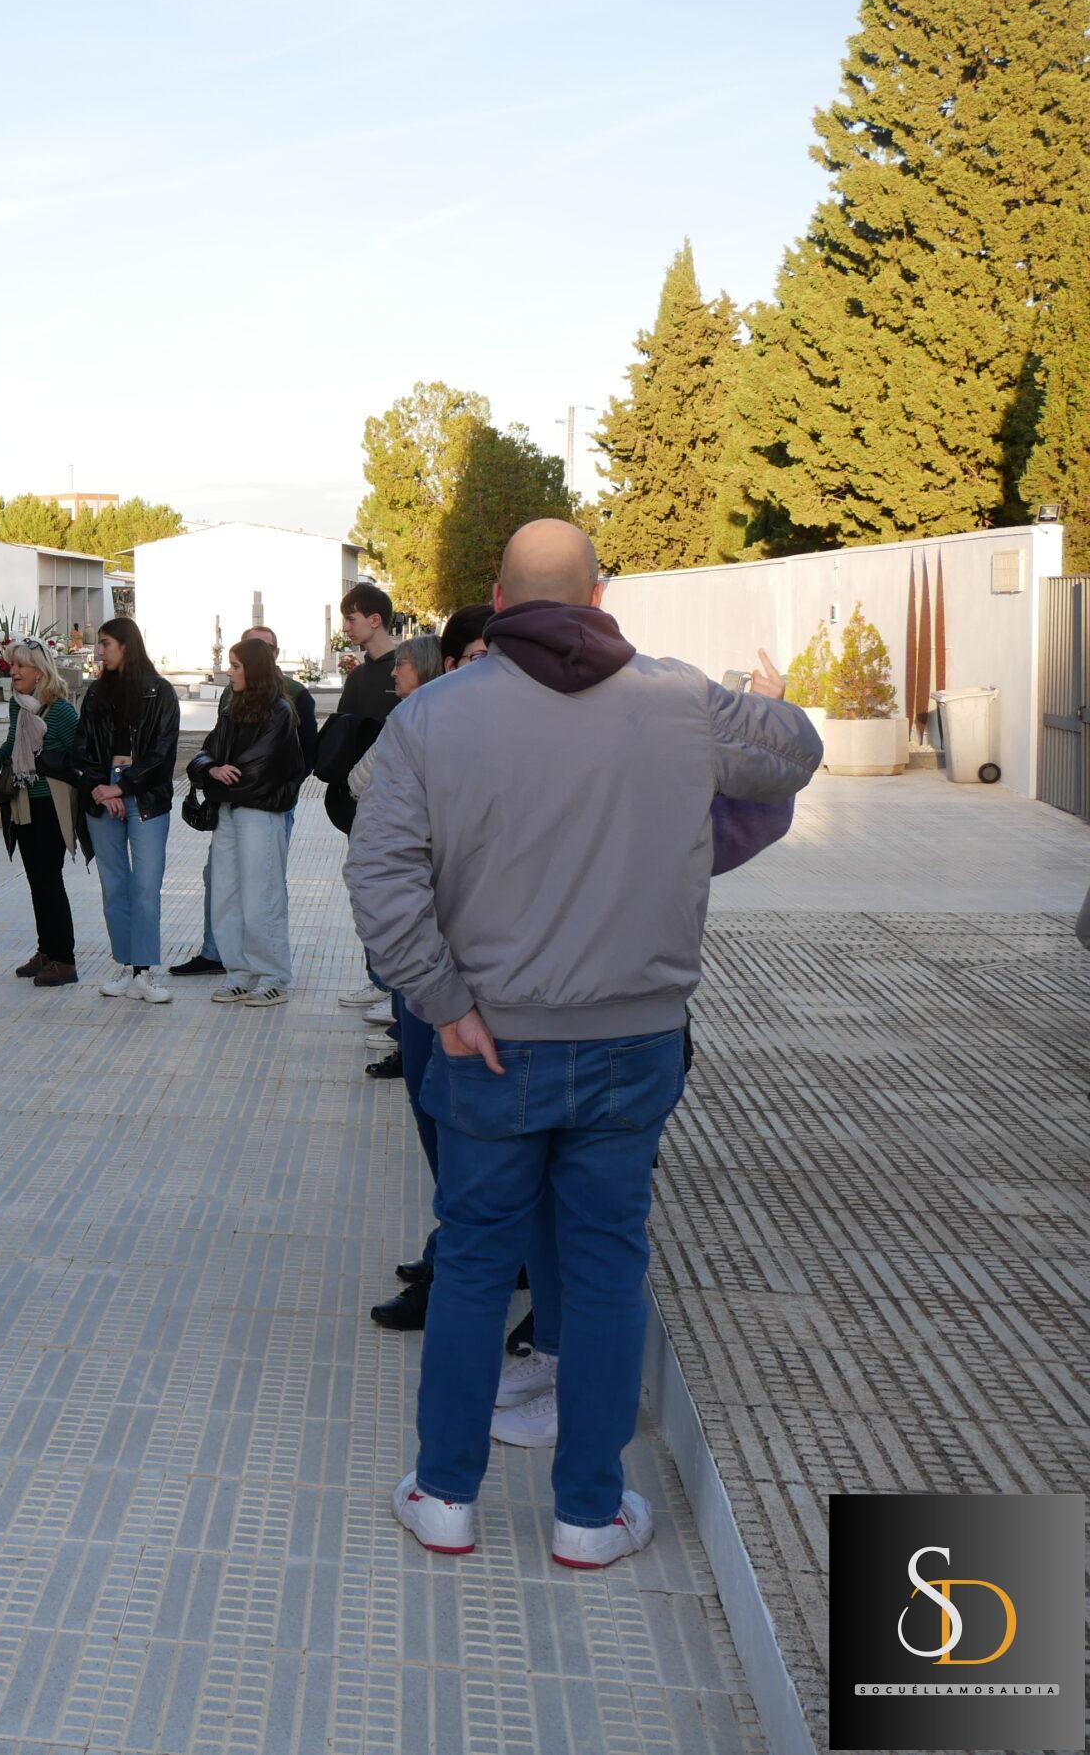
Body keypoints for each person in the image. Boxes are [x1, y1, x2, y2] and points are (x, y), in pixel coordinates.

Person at [348, 520, 819, 1570]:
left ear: (498, 602)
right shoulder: (678, 698)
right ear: (599, 597)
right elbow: (796, 749)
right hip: (634, 1038)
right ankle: (586, 1513)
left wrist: (438, 997)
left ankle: (445, 1496)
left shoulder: (432, 716)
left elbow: (375, 874)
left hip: (487, 1040)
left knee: (473, 1261)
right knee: (607, 1267)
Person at [354, 633, 449, 1331]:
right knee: (435, 1118)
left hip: (485, 988)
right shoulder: (419, 727)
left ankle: (461, 1266)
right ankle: (458, 1248)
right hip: (438, 981)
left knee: (480, 1149)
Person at [173, 626, 316, 979]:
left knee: (261, 897)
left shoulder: (280, 711)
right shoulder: (233, 706)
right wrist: (213, 770)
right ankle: (238, 972)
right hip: (228, 815)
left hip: (260, 816)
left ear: (253, 668)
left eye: (236, 666)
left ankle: (271, 976)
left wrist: (215, 779)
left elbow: (255, 774)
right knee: (226, 895)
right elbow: (204, 755)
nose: (229, 672)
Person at [58, 617, 178, 1003]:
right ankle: (126, 965)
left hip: (144, 793)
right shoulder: (96, 693)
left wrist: (122, 786)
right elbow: (80, 751)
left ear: (126, 644)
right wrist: (100, 788)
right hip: (103, 790)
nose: (100, 650)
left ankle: (145, 971)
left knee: (145, 885)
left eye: (106, 643)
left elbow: (162, 756)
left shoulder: (160, 692)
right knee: (114, 885)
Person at [320, 583, 399, 1022]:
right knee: (367, 895)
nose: (346, 626)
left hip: (396, 805)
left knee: (393, 896)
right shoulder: (359, 676)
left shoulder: (405, 669)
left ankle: (396, 986)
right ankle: (379, 980)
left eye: (351, 618)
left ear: (375, 619)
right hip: (358, 803)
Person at [0, 637, 80, 985]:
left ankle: (65, 959)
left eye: (21, 666)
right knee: (36, 880)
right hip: (22, 802)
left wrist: (44, 762)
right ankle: (47, 950)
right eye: (12, 665)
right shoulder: (18, 706)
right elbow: (14, 740)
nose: (14, 672)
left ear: (40, 672)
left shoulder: (61, 711)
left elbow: (78, 757)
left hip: (50, 804)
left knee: (49, 880)